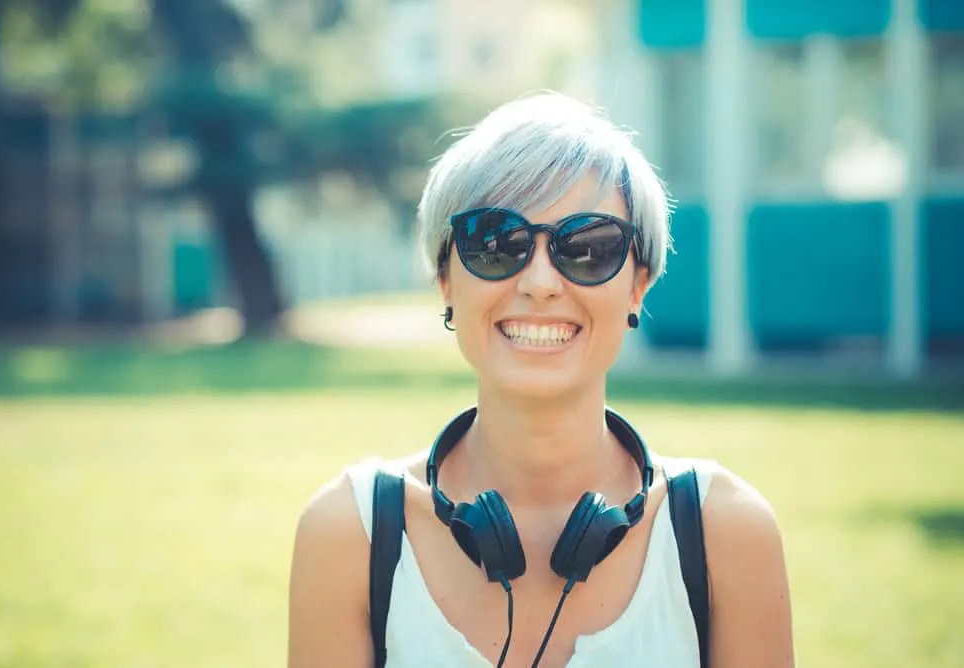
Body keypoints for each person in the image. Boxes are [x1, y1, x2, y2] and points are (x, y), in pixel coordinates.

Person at [287, 92, 794, 667]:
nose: (541, 283)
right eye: (497, 242)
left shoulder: (724, 532)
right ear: (445, 279)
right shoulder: (351, 534)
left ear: (638, 286)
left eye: (587, 247)